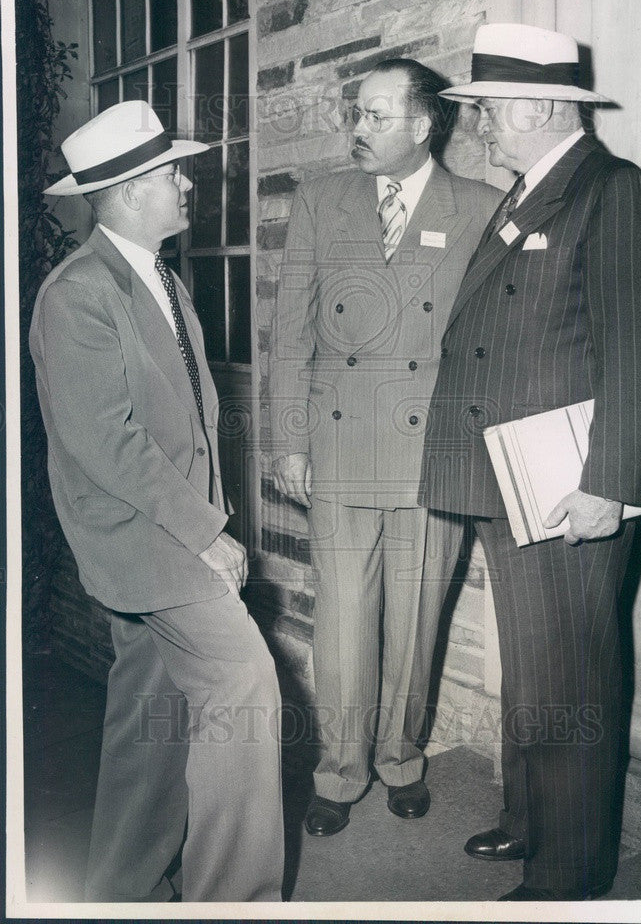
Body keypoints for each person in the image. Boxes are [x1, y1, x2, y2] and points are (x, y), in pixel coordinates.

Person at [419, 23, 641, 901]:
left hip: (570, 484)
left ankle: (568, 872)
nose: (479, 125)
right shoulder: (530, 189)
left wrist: (608, 485)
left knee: (569, 672)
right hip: (512, 475)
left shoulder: (615, 193)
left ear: (534, 105)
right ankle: (530, 819)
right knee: (532, 667)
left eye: (487, 108)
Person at [29, 100, 284, 902]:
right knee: (244, 683)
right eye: (172, 173)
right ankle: (234, 902)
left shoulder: (162, 279)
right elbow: (106, 442)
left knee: (153, 718)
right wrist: (207, 533)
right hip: (147, 541)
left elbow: (188, 426)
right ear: (135, 188)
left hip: (168, 530)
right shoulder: (76, 294)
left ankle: (119, 891)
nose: (185, 185)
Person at [269, 59, 502, 836]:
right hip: (337, 448)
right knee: (341, 622)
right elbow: (289, 333)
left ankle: (400, 758)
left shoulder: (482, 207)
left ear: (422, 123)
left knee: (415, 619)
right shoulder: (321, 199)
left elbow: (494, 344)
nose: (356, 129)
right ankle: (340, 771)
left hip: (430, 451)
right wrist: (289, 442)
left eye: (373, 115)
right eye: (355, 114)